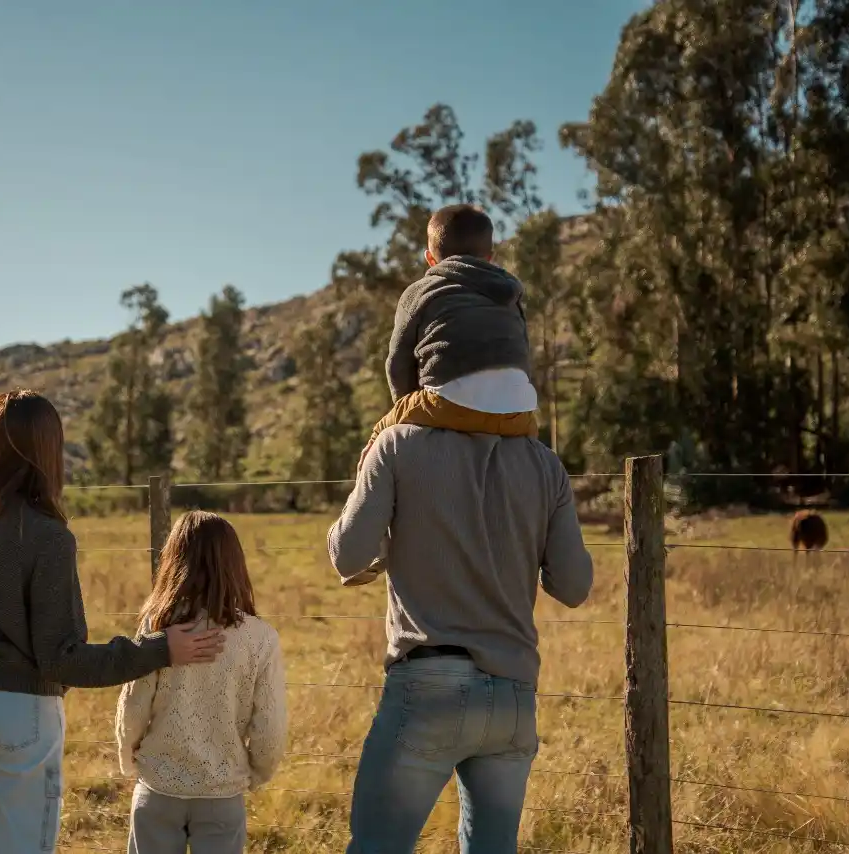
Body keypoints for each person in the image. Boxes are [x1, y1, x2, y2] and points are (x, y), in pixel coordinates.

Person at [0, 390, 225, 854]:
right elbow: (64, 660)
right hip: (17, 713)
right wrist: (161, 649)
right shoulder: (46, 534)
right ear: (48, 451)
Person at [328, 422, 593, 853]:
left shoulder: (396, 444)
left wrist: (369, 474)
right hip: (513, 693)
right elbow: (574, 586)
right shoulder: (544, 462)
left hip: (429, 688)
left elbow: (349, 555)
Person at [346, 203, 540, 589]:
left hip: (448, 401)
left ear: (429, 257)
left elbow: (397, 364)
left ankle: (374, 546)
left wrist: (406, 417)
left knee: (377, 443)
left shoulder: (421, 289)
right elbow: (520, 352)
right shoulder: (511, 293)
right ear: (491, 256)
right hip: (520, 414)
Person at [117, 510, 287, 854]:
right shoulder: (260, 638)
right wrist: (257, 773)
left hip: (158, 788)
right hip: (222, 793)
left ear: (173, 560)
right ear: (235, 564)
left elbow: (134, 702)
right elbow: (270, 726)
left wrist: (126, 754)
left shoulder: (159, 626)